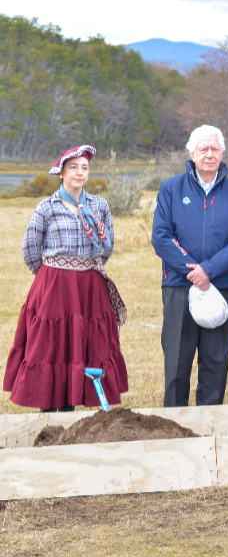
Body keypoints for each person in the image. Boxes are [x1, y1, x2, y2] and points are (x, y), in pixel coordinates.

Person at [5, 145, 128, 411]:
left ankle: (71, 406)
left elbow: (107, 246)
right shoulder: (46, 207)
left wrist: (83, 269)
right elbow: (30, 250)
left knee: (84, 343)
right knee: (52, 344)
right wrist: (54, 276)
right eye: (74, 167)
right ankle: (47, 410)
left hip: (89, 286)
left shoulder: (99, 206)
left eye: (85, 168)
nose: (80, 173)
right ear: (61, 172)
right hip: (54, 287)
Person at [152, 125, 228, 407]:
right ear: (192, 153)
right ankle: (174, 428)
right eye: (203, 149)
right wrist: (193, 271)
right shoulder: (171, 188)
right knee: (177, 363)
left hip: (220, 287)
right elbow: (161, 236)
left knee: (216, 363)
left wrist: (209, 269)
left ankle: (208, 426)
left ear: (222, 154)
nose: (210, 154)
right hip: (179, 286)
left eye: (215, 149)